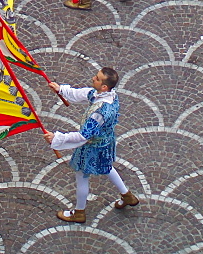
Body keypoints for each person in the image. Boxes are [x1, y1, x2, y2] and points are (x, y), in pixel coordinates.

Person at [42, 66, 139, 224]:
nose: (94, 78)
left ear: (104, 87)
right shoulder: (109, 95)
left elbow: (83, 136)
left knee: (82, 175)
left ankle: (79, 212)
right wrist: (61, 90)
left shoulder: (100, 112)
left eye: (98, 78)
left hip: (92, 147)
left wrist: (56, 139)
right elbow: (84, 93)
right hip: (105, 143)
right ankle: (127, 195)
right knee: (107, 167)